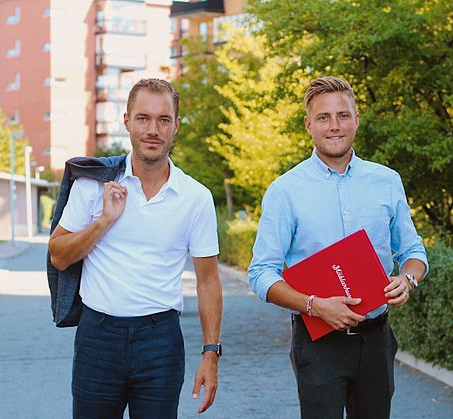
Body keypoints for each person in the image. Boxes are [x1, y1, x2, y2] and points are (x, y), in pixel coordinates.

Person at [248, 76, 429, 419]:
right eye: (323, 117)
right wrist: (314, 305)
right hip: (318, 345)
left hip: (376, 341)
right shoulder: (285, 191)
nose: (334, 126)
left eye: (343, 115)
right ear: (309, 125)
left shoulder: (387, 181)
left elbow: (413, 252)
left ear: (357, 119)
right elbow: (260, 274)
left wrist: (408, 280)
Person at [48, 78, 223, 418]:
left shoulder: (196, 197)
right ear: (127, 121)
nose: (152, 130)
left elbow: (208, 282)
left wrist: (211, 353)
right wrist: (103, 221)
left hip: (160, 341)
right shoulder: (92, 184)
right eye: (143, 118)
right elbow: (59, 255)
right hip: (98, 338)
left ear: (175, 125)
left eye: (163, 120)